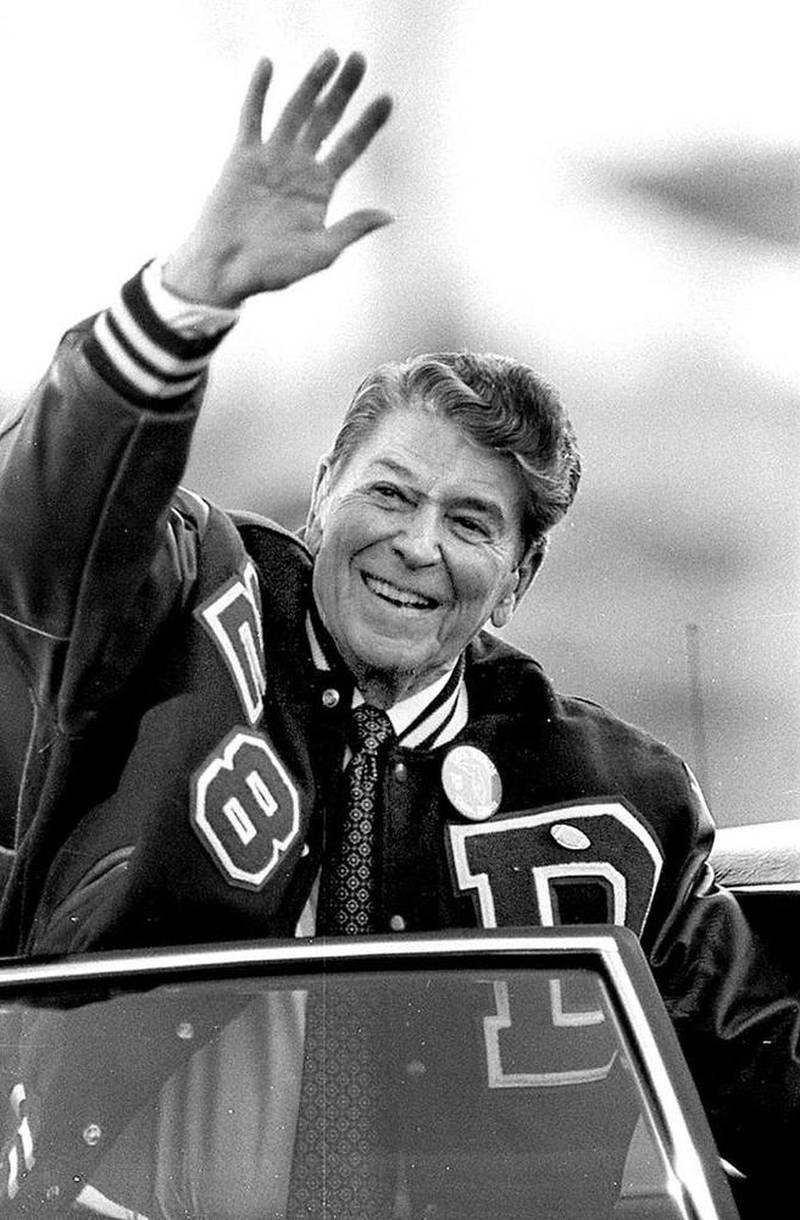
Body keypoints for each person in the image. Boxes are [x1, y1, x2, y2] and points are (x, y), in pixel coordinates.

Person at [0, 46, 798, 1215]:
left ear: (515, 580)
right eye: (387, 492)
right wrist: (185, 299)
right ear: (321, 491)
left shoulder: (621, 803)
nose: (417, 542)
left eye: (469, 520)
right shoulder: (178, 610)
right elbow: (47, 522)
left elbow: (766, 1076)